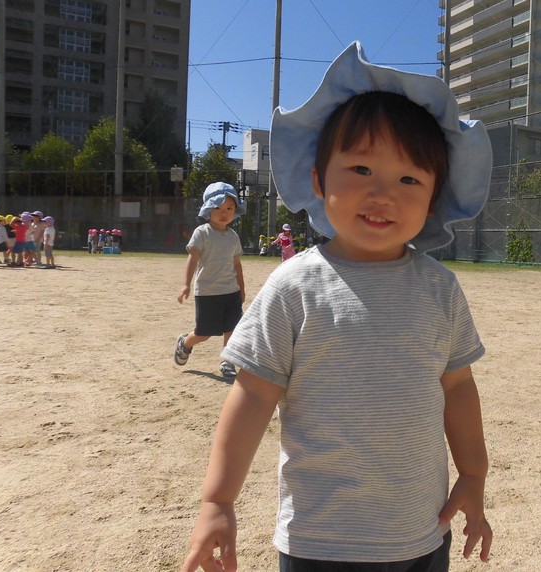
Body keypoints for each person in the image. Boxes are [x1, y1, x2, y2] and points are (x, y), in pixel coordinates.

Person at [181, 42, 494, 572]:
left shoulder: (440, 289)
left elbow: (458, 386)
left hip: (423, 531)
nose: (383, 194)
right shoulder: (295, 286)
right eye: (361, 170)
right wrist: (217, 500)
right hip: (320, 542)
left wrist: (473, 475)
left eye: (409, 179)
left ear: (435, 196)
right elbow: (252, 396)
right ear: (319, 180)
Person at [175, 182, 247, 380]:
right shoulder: (202, 232)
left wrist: (241, 288)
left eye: (229, 208)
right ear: (208, 208)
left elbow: (237, 265)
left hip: (230, 292)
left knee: (231, 329)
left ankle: (227, 361)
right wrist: (186, 284)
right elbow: (193, 259)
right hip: (208, 292)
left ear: (235, 211)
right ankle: (186, 343)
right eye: (218, 207)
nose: (224, 212)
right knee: (204, 333)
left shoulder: (233, 237)